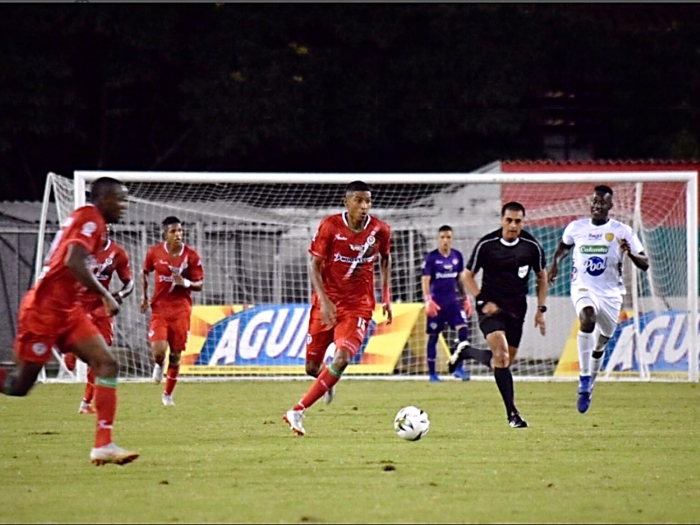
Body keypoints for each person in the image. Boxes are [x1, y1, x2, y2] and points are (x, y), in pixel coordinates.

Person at [0, 177, 138, 465]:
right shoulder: (90, 218)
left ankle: (104, 444)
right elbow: (73, 261)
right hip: (43, 311)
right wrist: (105, 296)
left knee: (107, 363)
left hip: (68, 311)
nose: (124, 206)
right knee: (19, 386)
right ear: (102, 199)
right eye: (119, 199)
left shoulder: (93, 224)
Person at [283, 180, 392, 436]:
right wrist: (324, 300)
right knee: (312, 367)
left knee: (342, 358)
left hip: (358, 307)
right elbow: (313, 265)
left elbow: (386, 259)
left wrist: (386, 295)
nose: (364, 206)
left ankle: (296, 410)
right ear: (346, 201)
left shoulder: (380, 229)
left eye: (368, 201)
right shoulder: (330, 226)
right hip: (327, 305)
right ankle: (326, 381)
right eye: (358, 200)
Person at [548, 185, 648, 414]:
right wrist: (555, 264)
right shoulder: (576, 227)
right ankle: (583, 380)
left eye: (602, 202)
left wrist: (629, 252)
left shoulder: (622, 231)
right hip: (583, 288)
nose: (597, 206)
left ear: (610, 206)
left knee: (601, 342)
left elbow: (645, 263)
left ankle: (589, 384)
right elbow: (563, 246)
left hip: (611, 295)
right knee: (587, 317)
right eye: (594, 201)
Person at [452, 201, 547, 428]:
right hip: (490, 307)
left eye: (518, 221)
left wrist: (541, 310)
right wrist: (482, 299)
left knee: (503, 362)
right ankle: (512, 414)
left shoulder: (531, 246)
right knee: (502, 356)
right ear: (502, 220)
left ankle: (467, 351)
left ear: (523, 222)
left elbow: (542, 277)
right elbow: (466, 276)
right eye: (509, 220)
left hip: (517, 309)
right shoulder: (487, 244)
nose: (513, 225)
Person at [64, 227, 134, 414]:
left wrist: (118, 295)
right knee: (84, 357)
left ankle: (86, 403)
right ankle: (71, 349)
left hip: (100, 306)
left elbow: (129, 283)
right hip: (78, 305)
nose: (105, 230)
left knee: (102, 355)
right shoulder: (79, 249)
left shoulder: (118, 253)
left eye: (108, 226)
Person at [141, 216, 204, 406]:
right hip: (160, 309)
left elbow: (200, 284)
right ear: (165, 234)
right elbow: (144, 271)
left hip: (181, 310)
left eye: (180, 231)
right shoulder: (154, 253)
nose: (178, 235)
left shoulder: (192, 256)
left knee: (176, 355)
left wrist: (185, 283)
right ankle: (159, 365)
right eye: (173, 231)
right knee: (158, 351)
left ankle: (167, 395)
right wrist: (144, 297)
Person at [421, 225, 473, 382]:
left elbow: (460, 279)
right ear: (438, 239)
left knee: (463, 329)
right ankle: (432, 374)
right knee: (434, 336)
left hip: (453, 303)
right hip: (437, 304)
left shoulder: (457, 256)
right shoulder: (431, 258)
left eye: (448, 237)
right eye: (442, 237)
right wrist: (428, 300)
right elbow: (425, 280)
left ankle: (459, 368)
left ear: (452, 239)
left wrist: (466, 298)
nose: (445, 240)